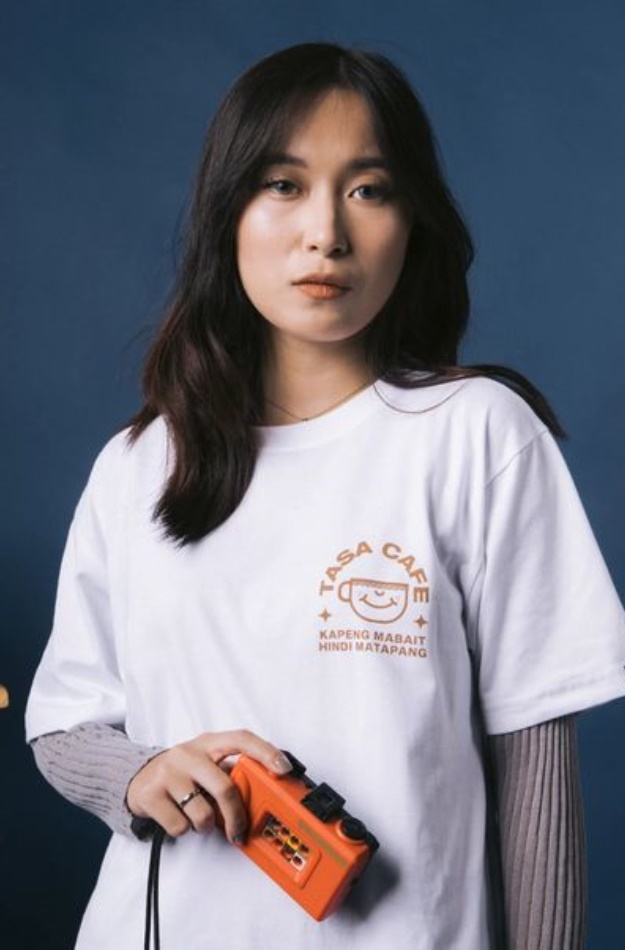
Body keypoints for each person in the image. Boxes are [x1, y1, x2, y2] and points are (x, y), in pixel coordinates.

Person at [26, 42, 625, 950]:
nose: (325, 233)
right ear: (228, 213)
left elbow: (534, 768)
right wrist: (139, 775)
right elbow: (65, 724)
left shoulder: (476, 434)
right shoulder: (140, 463)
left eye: (369, 189)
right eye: (283, 184)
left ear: (412, 222)